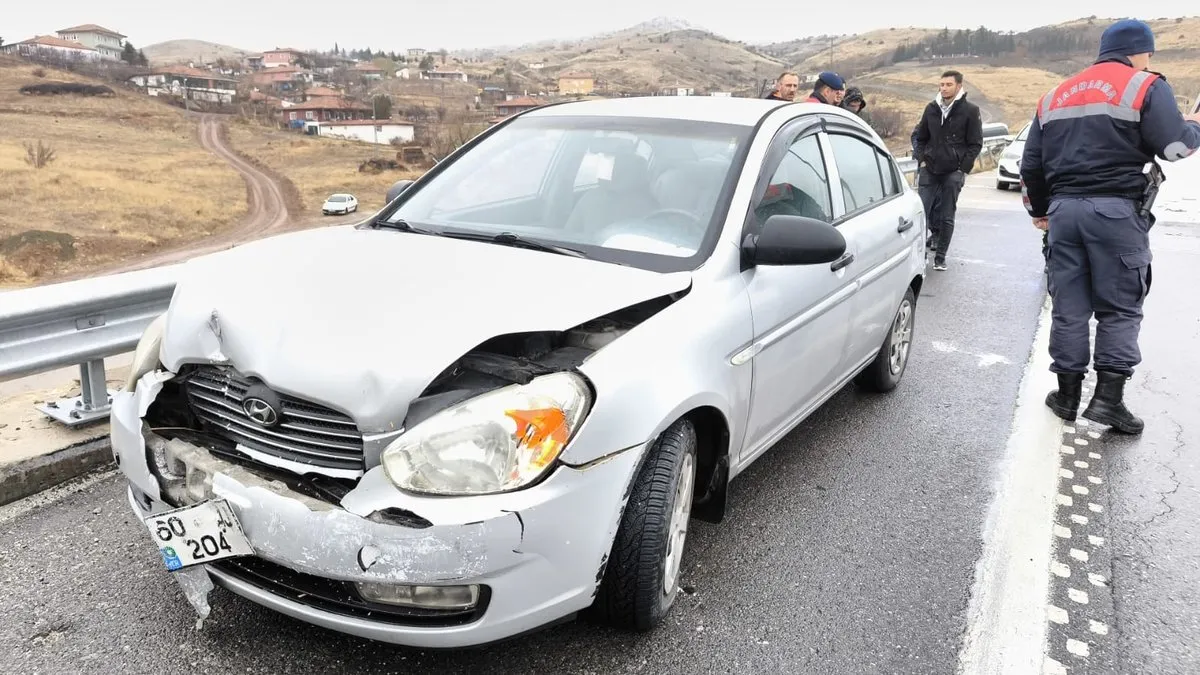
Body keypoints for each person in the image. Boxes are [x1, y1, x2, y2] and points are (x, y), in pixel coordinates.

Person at [1021, 18, 1200, 434]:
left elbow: (1032, 163)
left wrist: (1043, 210)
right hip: (1116, 212)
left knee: (1069, 307)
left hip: (1064, 213)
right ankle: (1108, 401)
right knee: (1119, 308)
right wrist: (1193, 125)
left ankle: (1065, 396)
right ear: (1140, 51)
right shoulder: (1144, 86)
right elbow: (1174, 147)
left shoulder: (1054, 95)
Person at [911, 70, 984, 271]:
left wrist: (963, 169)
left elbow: (976, 143)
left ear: (959, 86)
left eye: (948, 84)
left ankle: (940, 257)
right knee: (921, 213)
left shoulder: (970, 110)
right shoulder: (931, 109)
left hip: (953, 171)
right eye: (941, 84)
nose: (944, 88)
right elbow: (921, 137)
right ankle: (920, 255)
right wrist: (921, 159)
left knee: (946, 215)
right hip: (930, 169)